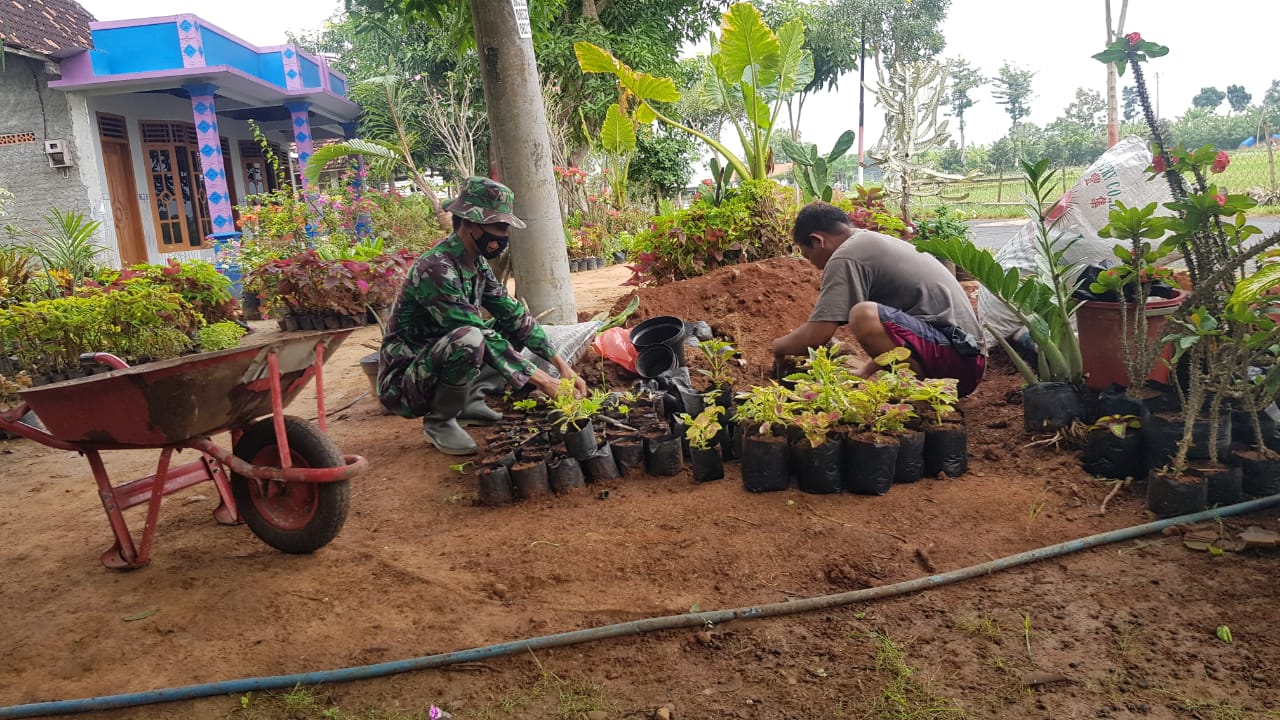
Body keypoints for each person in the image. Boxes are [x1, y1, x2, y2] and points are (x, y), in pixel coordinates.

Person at [378, 177, 588, 455]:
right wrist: (545, 382)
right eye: (498, 226)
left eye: (506, 228)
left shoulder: (475, 262)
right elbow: (470, 330)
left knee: (508, 323)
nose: (503, 236)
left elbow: (512, 313)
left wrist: (562, 366)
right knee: (471, 338)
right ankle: (440, 420)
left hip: (438, 359)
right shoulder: (436, 269)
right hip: (406, 380)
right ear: (469, 224)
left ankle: (468, 402)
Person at [771, 201, 986, 396]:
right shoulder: (865, 243)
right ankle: (919, 387)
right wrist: (865, 371)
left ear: (817, 240)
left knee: (863, 315)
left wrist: (778, 347)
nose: (813, 265)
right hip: (964, 357)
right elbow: (896, 330)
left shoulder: (846, 256)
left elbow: (818, 334)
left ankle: (920, 393)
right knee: (870, 315)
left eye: (808, 256)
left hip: (959, 364)